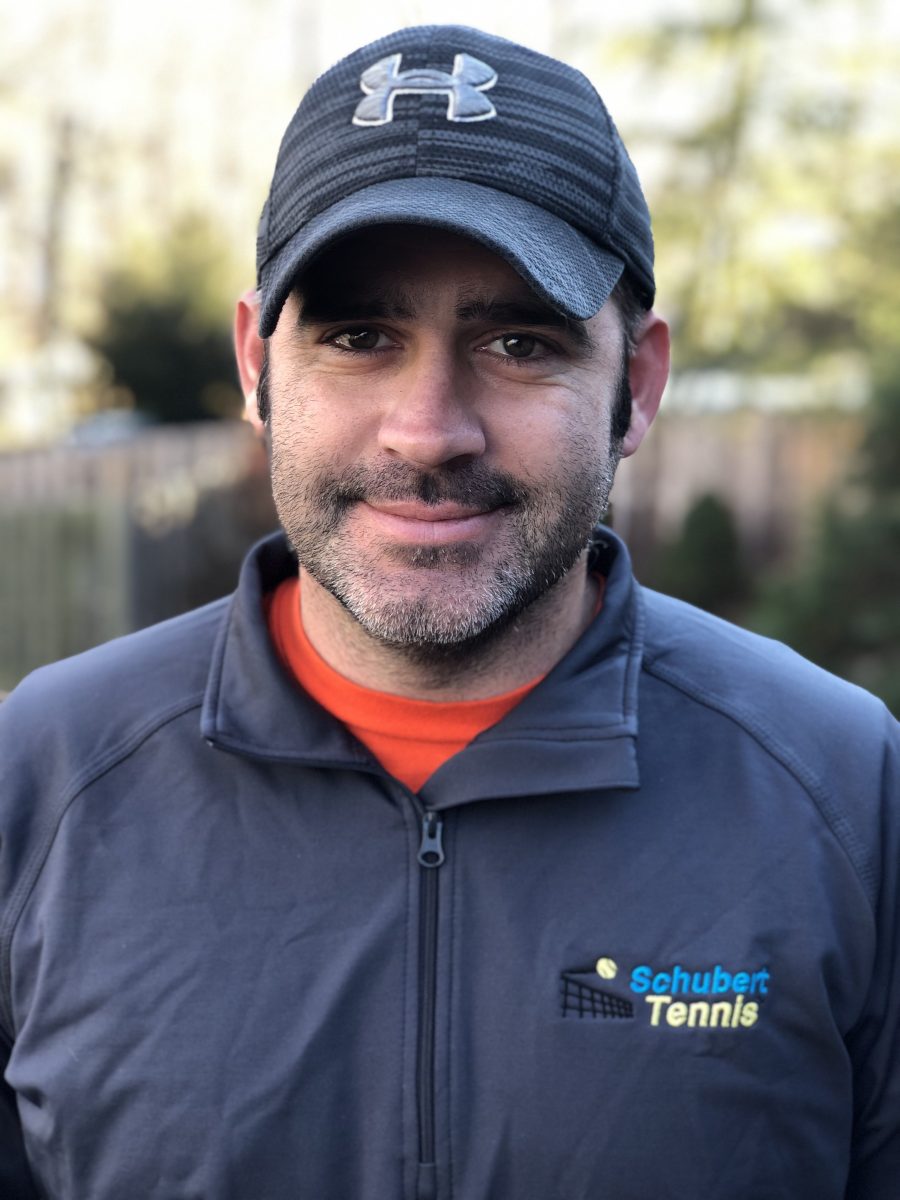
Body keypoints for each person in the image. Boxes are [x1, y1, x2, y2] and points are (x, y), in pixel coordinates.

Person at [0, 24, 897, 1200]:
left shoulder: (847, 794)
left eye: (519, 343)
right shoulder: (40, 782)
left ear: (637, 384)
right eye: (358, 337)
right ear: (258, 366)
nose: (428, 431)